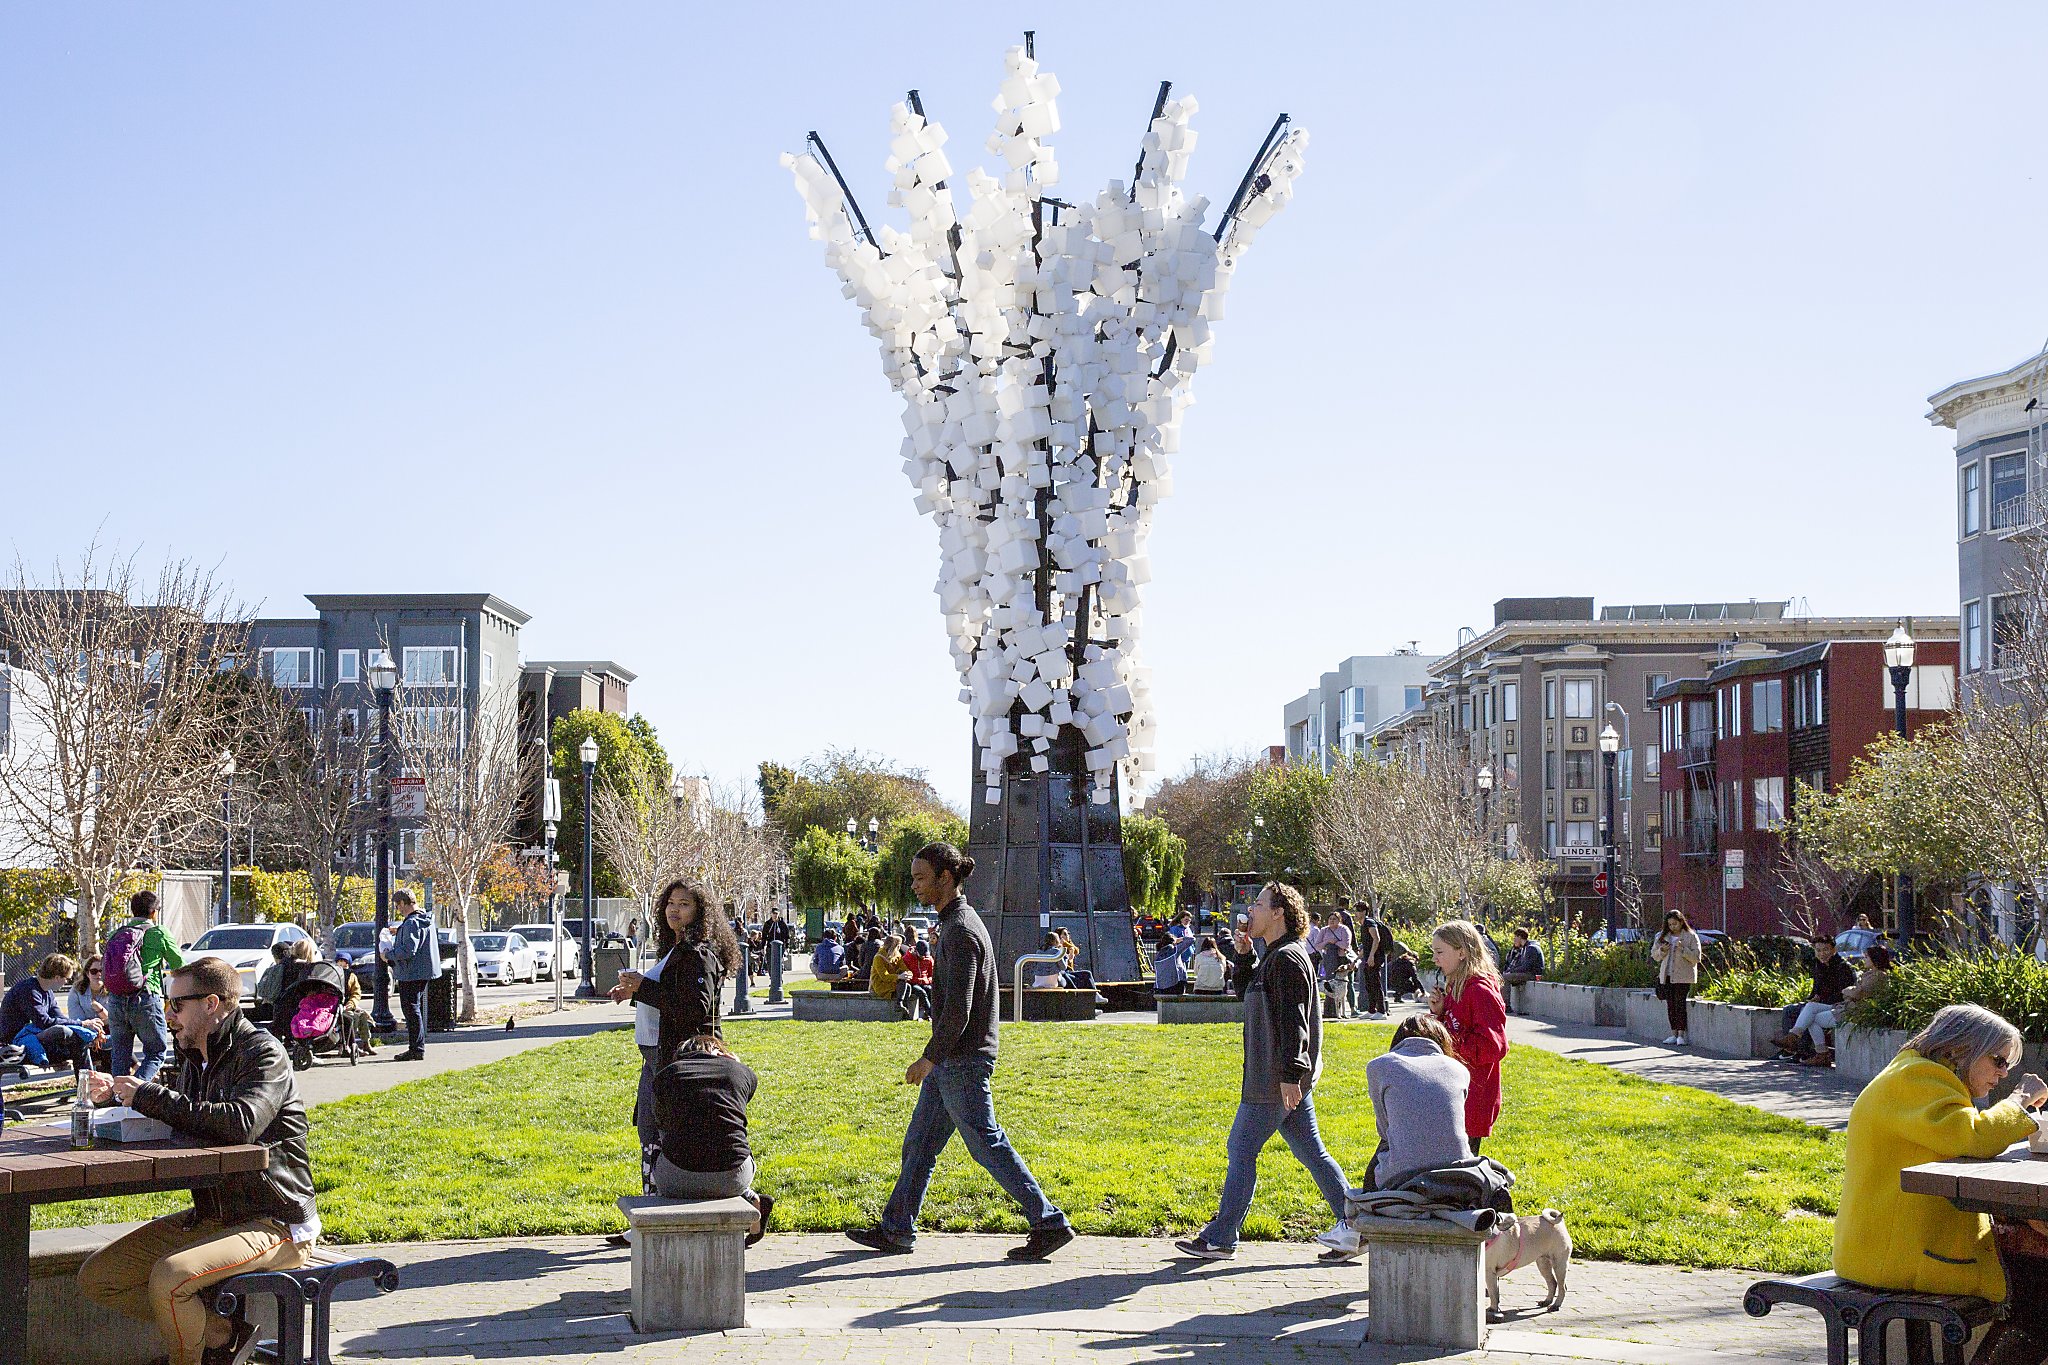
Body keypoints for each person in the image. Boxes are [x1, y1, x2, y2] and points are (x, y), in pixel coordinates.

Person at [77, 956, 318, 1365]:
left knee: (171, 1279)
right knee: (100, 1278)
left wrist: (150, 1097)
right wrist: (122, 1097)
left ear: (211, 1004)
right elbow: (185, 1116)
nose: (169, 1016)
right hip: (213, 1214)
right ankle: (222, 1334)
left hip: (275, 1219)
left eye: (176, 1005)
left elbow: (241, 1123)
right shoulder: (194, 1056)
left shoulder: (263, 1052)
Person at [847, 842, 1073, 1261]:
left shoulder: (962, 930)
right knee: (919, 1144)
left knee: (986, 1143)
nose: (914, 886)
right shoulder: (954, 925)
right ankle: (897, 1229)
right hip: (953, 1060)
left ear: (945, 878)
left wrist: (929, 1057)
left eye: (920, 878)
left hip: (962, 1059)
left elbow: (959, 1009)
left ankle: (1049, 1222)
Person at [1833, 1004, 2048, 1365]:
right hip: (1900, 1254)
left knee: (2036, 1266)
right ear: (1960, 1049)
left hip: (1906, 1243)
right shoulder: (1915, 1080)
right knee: (2039, 1286)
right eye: (1998, 1060)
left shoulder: (1920, 1078)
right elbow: (1976, 1136)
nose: (2004, 1072)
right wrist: (2018, 1100)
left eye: (2007, 1065)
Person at [1175, 882, 1351, 1261]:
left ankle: (1222, 1237)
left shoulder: (1287, 958)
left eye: (1258, 903)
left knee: (1240, 1148)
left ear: (1278, 913)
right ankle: (1355, 1226)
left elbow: (1295, 1022)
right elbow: (1249, 995)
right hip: (1279, 1077)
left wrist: (1291, 1074)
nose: (1249, 910)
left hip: (1273, 1079)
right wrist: (1243, 958)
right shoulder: (1274, 956)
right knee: (1313, 1153)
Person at [612, 879, 741, 1198]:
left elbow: (694, 1008)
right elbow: (671, 996)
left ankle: (663, 1207)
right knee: (648, 1128)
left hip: (681, 1057)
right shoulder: (674, 949)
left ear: (700, 912)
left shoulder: (698, 953)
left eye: (684, 904)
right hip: (657, 1055)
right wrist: (635, 990)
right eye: (670, 903)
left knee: (662, 1132)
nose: (675, 910)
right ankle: (650, 1208)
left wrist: (644, 987)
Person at [650, 1034, 773, 1242]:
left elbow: (661, 1124)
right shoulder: (741, 1072)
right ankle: (751, 1199)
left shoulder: (666, 1075)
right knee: (729, 1141)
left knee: (660, 1146)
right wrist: (736, 1065)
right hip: (733, 1177)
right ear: (720, 1052)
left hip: (676, 1181)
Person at [1361, 1015, 1471, 1191]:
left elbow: (1384, 1129)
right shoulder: (1459, 1070)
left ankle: (1359, 1210)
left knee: (1384, 1149)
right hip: (1459, 1173)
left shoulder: (1379, 1066)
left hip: (1401, 1176)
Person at [1428, 920, 1508, 1154]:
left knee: (1461, 1171)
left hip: (1472, 1097)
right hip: (1454, 1091)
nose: (1435, 959)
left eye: (1440, 952)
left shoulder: (1480, 991)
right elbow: (1456, 1026)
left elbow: (1493, 1047)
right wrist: (1440, 1013)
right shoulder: (1456, 987)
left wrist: (1446, 1041)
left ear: (1462, 952)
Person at [100, 889, 184, 1083]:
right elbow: (179, 966)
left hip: (115, 1000)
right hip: (146, 997)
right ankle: (136, 1092)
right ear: (154, 912)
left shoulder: (115, 934)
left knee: (120, 1056)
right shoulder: (158, 932)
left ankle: (120, 1099)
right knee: (156, 1053)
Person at [1788, 943, 1895, 1068]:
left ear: (1875, 959)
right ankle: (1793, 1036)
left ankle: (1822, 1054)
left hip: (1854, 1011)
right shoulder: (1870, 974)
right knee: (1811, 1006)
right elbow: (1855, 991)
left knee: (1813, 1019)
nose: (1863, 959)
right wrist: (1850, 992)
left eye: (1866, 957)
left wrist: (1847, 991)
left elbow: (1858, 992)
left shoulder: (1878, 976)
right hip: (1846, 1006)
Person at [1772, 934, 1857, 1063]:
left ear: (1834, 950)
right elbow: (1816, 989)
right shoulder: (1818, 965)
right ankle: (1791, 1046)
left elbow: (1843, 993)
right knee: (1789, 1010)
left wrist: (1819, 999)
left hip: (1836, 1005)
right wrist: (1812, 998)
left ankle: (1800, 1048)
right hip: (1819, 1003)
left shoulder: (1842, 967)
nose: (1822, 953)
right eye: (1818, 950)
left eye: (1825, 950)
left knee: (1808, 1012)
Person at [2, 955, 94, 1069]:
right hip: (17, 1043)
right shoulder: (29, 990)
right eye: (67, 978)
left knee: (79, 1043)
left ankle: (86, 1083)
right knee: (63, 1031)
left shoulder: (48, 992)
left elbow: (59, 1017)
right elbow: (43, 1022)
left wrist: (84, 1025)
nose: (66, 982)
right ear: (57, 977)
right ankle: (86, 1082)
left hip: (36, 1038)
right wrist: (81, 1024)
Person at [383, 890, 440, 1062]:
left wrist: (388, 955)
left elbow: (408, 950)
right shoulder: (423, 919)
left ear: (403, 903)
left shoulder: (412, 923)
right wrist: (399, 931)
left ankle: (416, 1049)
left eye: (398, 905)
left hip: (411, 973)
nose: (397, 909)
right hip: (422, 971)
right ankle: (417, 1047)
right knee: (413, 1009)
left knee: (410, 1009)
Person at [1649, 912, 1702, 1047]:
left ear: (1681, 922)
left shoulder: (1690, 936)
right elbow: (1655, 956)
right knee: (1671, 1005)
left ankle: (1681, 1035)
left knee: (1680, 1004)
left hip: (1683, 976)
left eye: (1675, 924)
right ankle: (1673, 1034)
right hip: (1667, 975)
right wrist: (1662, 950)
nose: (1673, 927)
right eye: (1670, 924)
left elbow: (1696, 958)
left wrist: (1683, 949)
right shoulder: (1662, 936)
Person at [67, 954, 112, 1068]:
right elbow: (77, 1019)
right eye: (94, 971)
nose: (98, 974)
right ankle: (135, 1065)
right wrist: (94, 1027)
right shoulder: (77, 990)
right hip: (85, 1032)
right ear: (87, 974)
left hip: (106, 1030)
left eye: (102, 971)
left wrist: (100, 1009)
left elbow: (114, 1019)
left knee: (117, 1033)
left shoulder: (113, 990)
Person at [1316, 911, 1355, 1020]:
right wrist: (1327, 941)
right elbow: (1317, 945)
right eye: (1330, 919)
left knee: (1347, 984)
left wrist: (1335, 942)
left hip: (1342, 959)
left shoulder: (1344, 930)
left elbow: (1346, 945)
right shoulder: (1324, 930)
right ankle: (1329, 1011)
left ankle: (1351, 1008)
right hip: (1329, 959)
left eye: (1334, 919)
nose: (1332, 921)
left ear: (1339, 920)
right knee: (1329, 984)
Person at [1500, 928, 1545, 1016]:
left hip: (1533, 974)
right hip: (1528, 973)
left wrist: (1510, 972)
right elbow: (1520, 965)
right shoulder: (1525, 948)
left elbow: (1526, 967)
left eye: (1515, 938)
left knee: (1505, 977)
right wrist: (1510, 971)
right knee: (1504, 975)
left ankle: (1507, 1006)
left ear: (1520, 937)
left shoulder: (1531, 948)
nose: (1514, 940)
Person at [1153, 923, 1196, 998]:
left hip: (1160, 986)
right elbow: (1192, 940)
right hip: (1175, 984)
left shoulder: (1158, 955)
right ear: (1173, 941)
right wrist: (1179, 939)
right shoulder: (1174, 950)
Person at [253, 942, 291, 1014]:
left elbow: (264, 991)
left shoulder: (275, 970)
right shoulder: (297, 966)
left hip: (278, 1006)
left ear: (275, 956)